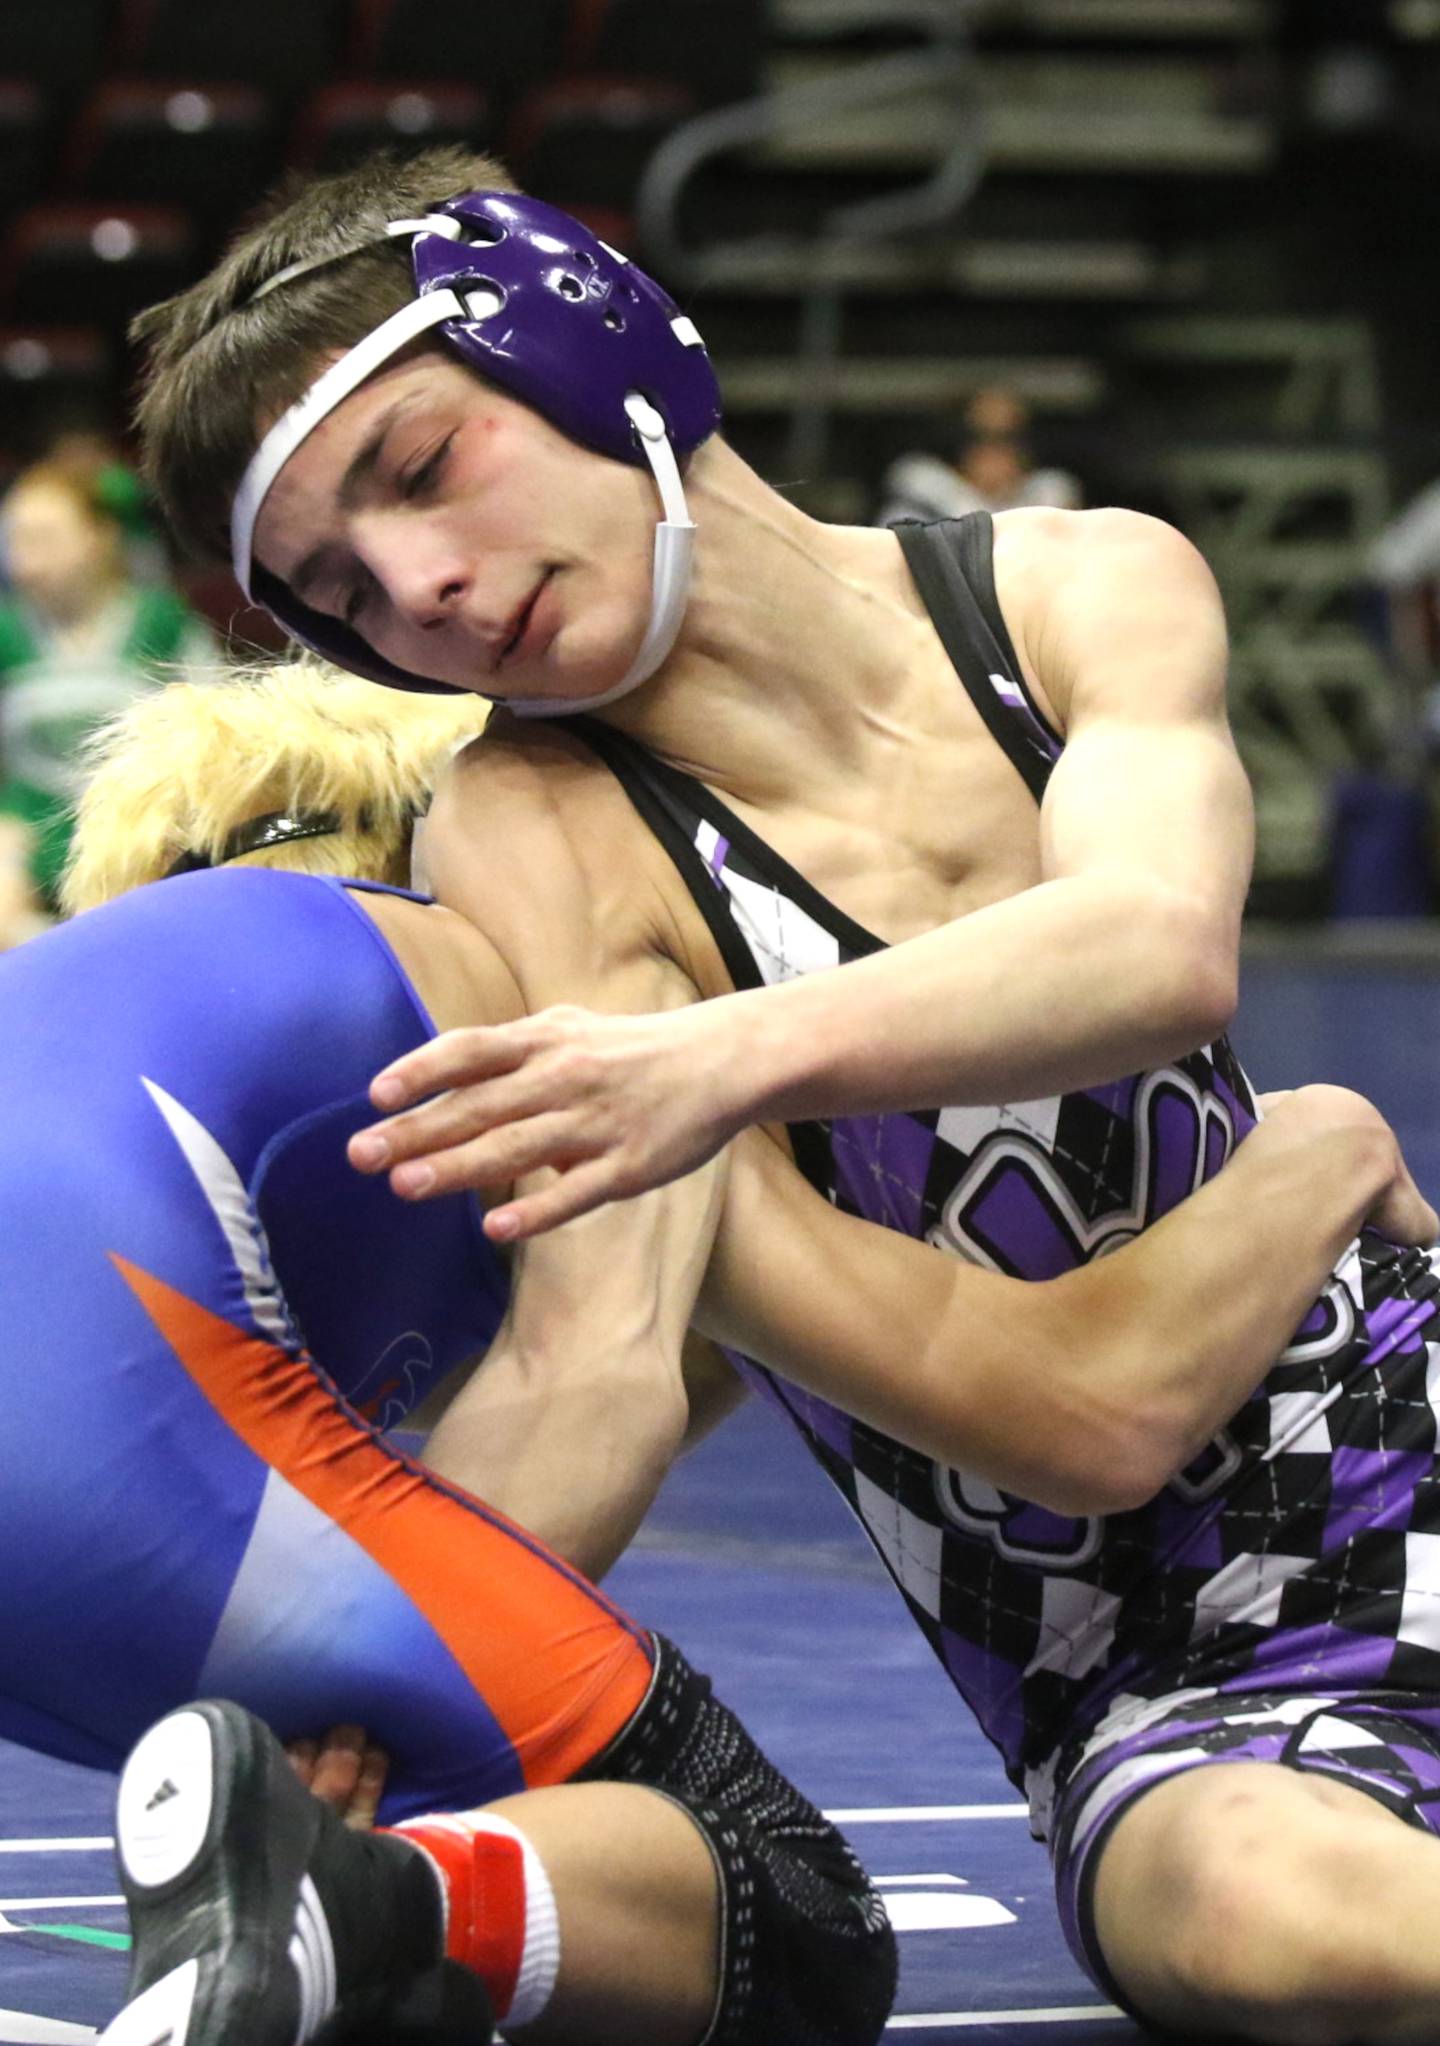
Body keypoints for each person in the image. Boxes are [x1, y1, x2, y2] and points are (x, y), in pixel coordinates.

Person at [129, 147, 1440, 2042]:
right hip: (1159, 1683)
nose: (418, 585)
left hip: (1400, 1406)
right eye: (338, 590)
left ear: (588, 351)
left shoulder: (1075, 589)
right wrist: (354, 1673)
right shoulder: (545, 834)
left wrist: (705, 1054)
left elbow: (1156, 946)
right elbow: (629, 1368)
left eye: (419, 473)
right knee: (1254, 1924)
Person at [50, 666, 1409, 2046]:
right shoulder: (579, 1073)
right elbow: (590, 1387)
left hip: (1312, 1519)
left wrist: (1316, 1152)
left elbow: (645, 1371)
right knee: (1009, 1911)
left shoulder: (597, 1061)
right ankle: (373, 1901)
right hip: (1217, 1677)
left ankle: (360, 1904)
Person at [0, 444, 218, 919]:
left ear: (100, 537)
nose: (24, 559)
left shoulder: (163, 621)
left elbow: (215, 734)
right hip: (26, 833)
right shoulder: (4, 631)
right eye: (15, 539)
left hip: (143, 827)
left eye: (45, 538)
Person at [875, 385, 1083, 530]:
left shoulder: (1049, 497)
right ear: (959, 442)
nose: (995, 450)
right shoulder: (918, 500)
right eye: (982, 437)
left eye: (1008, 438)